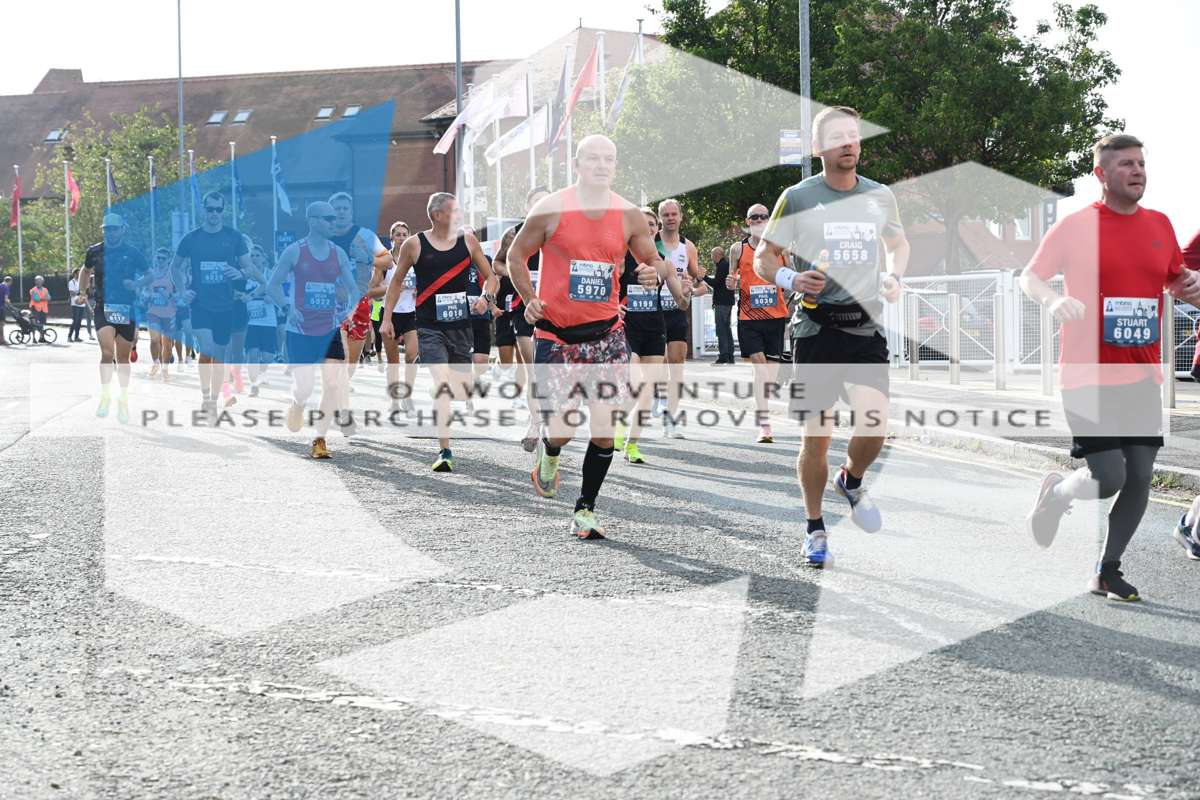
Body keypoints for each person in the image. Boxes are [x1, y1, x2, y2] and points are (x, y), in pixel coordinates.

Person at [1022, 134, 1200, 600]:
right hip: (1086, 374)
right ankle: (1058, 493)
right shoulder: (1077, 226)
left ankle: (1107, 568)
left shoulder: (1160, 224)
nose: (1137, 171)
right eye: (1125, 164)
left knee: (1140, 476)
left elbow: (1175, 279)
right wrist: (1054, 300)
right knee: (1109, 477)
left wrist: (1191, 286)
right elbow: (1030, 276)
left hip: (1141, 375)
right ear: (1101, 174)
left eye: (1140, 163)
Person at [506, 134, 684, 539]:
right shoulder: (551, 208)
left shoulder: (628, 214)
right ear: (576, 164)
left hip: (607, 335)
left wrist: (653, 271)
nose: (601, 165)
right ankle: (550, 452)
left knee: (605, 430)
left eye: (609, 159)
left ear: (615, 166)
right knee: (564, 428)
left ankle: (585, 509)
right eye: (593, 159)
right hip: (556, 336)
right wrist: (529, 299)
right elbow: (516, 256)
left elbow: (653, 259)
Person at [755, 106, 909, 568]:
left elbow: (897, 244)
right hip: (815, 329)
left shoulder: (879, 196)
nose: (849, 143)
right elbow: (765, 256)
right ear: (818, 147)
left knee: (875, 424)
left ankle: (852, 479)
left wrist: (894, 275)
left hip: (864, 326)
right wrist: (790, 278)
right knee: (816, 436)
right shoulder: (798, 197)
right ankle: (815, 527)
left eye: (854, 135)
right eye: (838, 136)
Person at [380, 192, 497, 472]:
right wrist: (386, 319)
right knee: (443, 384)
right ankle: (445, 451)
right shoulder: (414, 244)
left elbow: (492, 278)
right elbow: (395, 283)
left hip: (460, 325)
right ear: (437, 215)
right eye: (454, 211)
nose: (459, 215)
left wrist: (486, 298)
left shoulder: (468, 242)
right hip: (429, 326)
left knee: (460, 390)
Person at [266, 201, 360, 459]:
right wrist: (288, 307)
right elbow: (273, 285)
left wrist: (349, 311)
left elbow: (353, 289)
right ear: (312, 220)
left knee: (332, 384)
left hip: (329, 328)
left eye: (334, 218)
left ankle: (320, 439)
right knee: (305, 388)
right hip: (300, 329)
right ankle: (297, 404)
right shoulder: (295, 252)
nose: (334, 222)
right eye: (328, 218)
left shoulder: (338, 253)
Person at [170, 191, 256, 421]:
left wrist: (240, 272)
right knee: (207, 349)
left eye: (219, 209)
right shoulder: (191, 239)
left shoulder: (234, 237)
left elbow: (249, 267)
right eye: (210, 209)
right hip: (200, 303)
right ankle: (206, 397)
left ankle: (214, 398)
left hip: (226, 305)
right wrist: (182, 291)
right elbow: (175, 267)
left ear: (223, 211)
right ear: (204, 210)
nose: (214, 214)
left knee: (220, 353)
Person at [613, 207, 675, 464]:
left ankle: (632, 444)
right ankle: (618, 423)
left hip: (654, 328)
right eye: (642, 223)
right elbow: (605, 288)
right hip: (626, 327)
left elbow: (680, 299)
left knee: (647, 390)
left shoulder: (661, 260)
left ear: (657, 229)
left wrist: (688, 292)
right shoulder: (618, 254)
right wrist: (612, 307)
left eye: (652, 224)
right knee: (635, 383)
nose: (647, 227)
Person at [726, 204, 791, 443]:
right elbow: (731, 278)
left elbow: (791, 278)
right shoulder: (738, 249)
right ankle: (765, 424)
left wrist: (785, 296)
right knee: (760, 368)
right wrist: (730, 283)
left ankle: (764, 414)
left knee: (768, 375)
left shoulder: (781, 248)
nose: (760, 220)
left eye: (764, 216)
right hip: (748, 318)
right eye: (755, 217)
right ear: (748, 221)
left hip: (775, 318)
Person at [493, 187, 551, 451]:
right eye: (537, 203)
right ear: (527, 208)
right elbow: (497, 263)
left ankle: (551, 419)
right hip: (524, 307)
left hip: (555, 308)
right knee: (533, 369)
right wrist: (517, 272)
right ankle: (535, 423)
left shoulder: (562, 233)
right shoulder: (514, 233)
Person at [77, 213, 148, 423]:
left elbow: (150, 274)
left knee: (123, 359)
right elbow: (85, 271)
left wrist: (136, 284)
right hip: (103, 307)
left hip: (126, 308)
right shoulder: (94, 251)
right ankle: (105, 396)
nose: (110, 232)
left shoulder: (132, 252)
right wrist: (82, 292)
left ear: (122, 229)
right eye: (107, 229)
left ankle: (123, 400)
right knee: (108, 353)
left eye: (114, 228)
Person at [654, 199, 706, 437]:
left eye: (674, 214)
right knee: (659, 363)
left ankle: (671, 420)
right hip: (652, 310)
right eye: (666, 215)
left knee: (676, 366)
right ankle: (658, 394)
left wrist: (693, 288)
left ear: (681, 217)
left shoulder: (688, 247)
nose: (670, 218)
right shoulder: (651, 243)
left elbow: (698, 281)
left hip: (677, 309)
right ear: (660, 218)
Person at [329, 192, 392, 384]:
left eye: (345, 208)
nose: (341, 212)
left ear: (351, 212)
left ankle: (341, 385)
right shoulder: (322, 235)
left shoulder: (364, 235)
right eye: (337, 209)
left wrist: (367, 258)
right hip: (329, 304)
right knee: (338, 357)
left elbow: (388, 261)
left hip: (358, 303)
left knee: (351, 362)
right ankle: (334, 390)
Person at [380, 221, 418, 416]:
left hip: (411, 313)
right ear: (392, 237)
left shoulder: (415, 258)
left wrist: (420, 290)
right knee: (393, 361)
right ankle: (394, 400)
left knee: (412, 356)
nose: (402, 238)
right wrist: (392, 287)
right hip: (390, 314)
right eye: (398, 234)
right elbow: (372, 290)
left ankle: (407, 396)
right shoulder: (385, 261)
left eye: (405, 234)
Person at [243, 245, 278, 397]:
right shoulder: (245, 275)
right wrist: (243, 297)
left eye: (257, 255)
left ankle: (262, 373)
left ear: (263, 258)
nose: (255, 258)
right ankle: (253, 385)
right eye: (252, 256)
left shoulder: (270, 275)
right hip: (251, 321)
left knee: (268, 356)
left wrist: (272, 299)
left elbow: (280, 294)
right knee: (253, 354)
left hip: (269, 320)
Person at [143, 248, 178, 382]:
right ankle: (155, 363)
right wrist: (147, 295)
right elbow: (143, 292)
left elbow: (181, 294)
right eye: (158, 258)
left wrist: (169, 295)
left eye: (163, 258)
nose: (160, 260)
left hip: (169, 314)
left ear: (168, 260)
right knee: (154, 339)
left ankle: (165, 369)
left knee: (167, 344)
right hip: (153, 312)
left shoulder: (173, 275)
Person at [705, 245, 736, 364]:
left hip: (722, 302)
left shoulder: (722, 265)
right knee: (726, 328)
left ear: (718, 255)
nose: (711, 257)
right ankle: (729, 355)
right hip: (727, 301)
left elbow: (716, 283)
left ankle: (724, 355)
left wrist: (704, 277)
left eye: (712, 255)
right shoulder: (726, 265)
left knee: (721, 329)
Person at [28, 276, 50, 343]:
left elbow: (49, 298)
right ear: (35, 282)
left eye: (40, 281)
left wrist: (41, 298)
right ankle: (34, 338)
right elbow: (36, 299)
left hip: (44, 309)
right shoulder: (33, 290)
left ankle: (41, 338)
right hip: (35, 309)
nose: (39, 282)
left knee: (42, 323)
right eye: (37, 281)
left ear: (42, 282)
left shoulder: (45, 289)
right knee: (34, 324)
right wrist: (44, 298)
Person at [68, 270, 88, 342]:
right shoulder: (72, 282)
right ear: (75, 274)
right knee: (75, 320)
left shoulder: (82, 282)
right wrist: (79, 292)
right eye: (78, 273)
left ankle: (76, 337)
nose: (80, 274)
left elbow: (85, 291)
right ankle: (69, 336)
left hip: (81, 303)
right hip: (75, 304)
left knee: (79, 321)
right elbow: (71, 293)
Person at [0, 275, 12, 345]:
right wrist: (9, 303)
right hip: (1, 308)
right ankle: (2, 340)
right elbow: (6, 299)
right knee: (1, 324)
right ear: (10, 281)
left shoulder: (0, 285)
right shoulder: (6, 287)